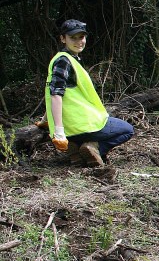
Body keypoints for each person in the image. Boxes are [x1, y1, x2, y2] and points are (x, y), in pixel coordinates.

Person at [45, 19, 134, 166]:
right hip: (82, 125)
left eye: (81, 37)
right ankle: (94, 148)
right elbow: (55, 95)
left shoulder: (61, 59)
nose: (79, 41)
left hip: (71, 129)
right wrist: (59, 131)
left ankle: (75, 150)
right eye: (73, 38)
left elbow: (50, 91)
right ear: (62, 38)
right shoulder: (64, 61)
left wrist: (46, 121)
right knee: (127, 130)